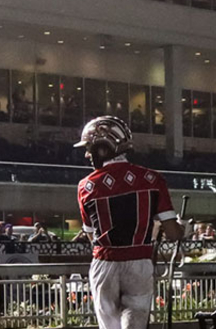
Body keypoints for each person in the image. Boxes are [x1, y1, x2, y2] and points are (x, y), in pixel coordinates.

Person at [75, 116, 184, 329]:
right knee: (136, 320)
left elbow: (91, 237)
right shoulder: (153, 179)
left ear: (103, 148)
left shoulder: (86, 186)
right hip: (139, 264)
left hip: (104, 263)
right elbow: (173, 233)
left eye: (89, 148)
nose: (87, 155)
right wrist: (182, 228)